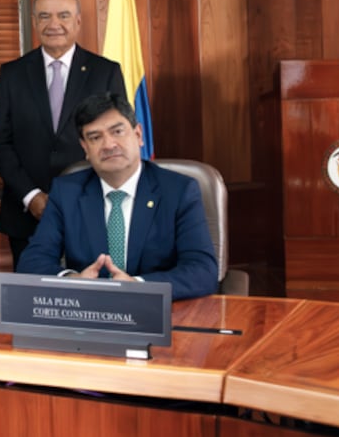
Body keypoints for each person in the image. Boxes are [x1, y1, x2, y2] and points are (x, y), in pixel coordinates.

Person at [17, 93, 218, 300]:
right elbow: (32, 262)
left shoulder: (179, 191)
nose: (108, 145)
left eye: (118, 131)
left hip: (157, 312)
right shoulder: (66, 192)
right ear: (85, 148)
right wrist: (74, 280)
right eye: (95, 137)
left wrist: (139, 286)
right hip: (89, 313)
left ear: (138, 135)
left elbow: (203, 272)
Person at [0, 0, 125, 269]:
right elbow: (0, 142)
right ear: (35, 22)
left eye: (63, 15)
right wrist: (31, 196)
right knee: (32, 301)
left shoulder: (105, 72)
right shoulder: (12, 73)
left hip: (91, 208)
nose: (54, 25)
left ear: (78, 21)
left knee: (91, 299)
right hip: (26, 213)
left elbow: (116, 141)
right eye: (44, 17)